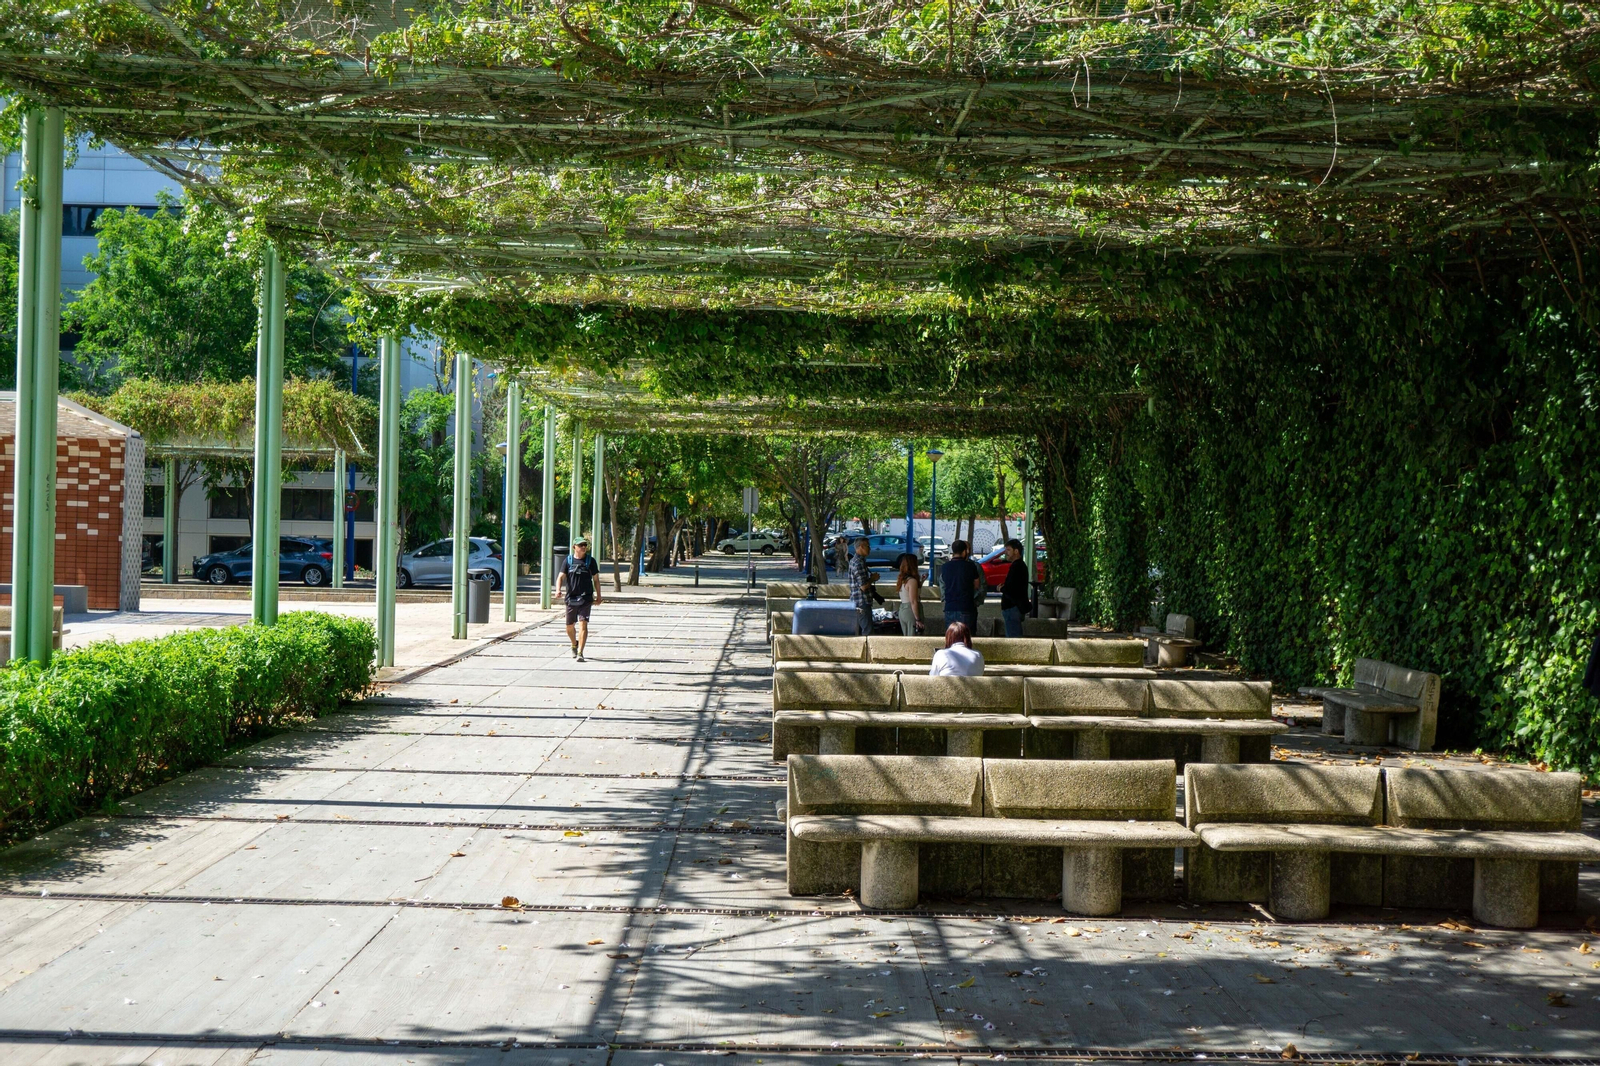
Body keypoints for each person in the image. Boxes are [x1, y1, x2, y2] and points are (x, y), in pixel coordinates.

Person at [556, 537, 602, 661]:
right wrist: (558, 590)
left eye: (585, 545)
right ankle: (574, 644)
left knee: (583, 625)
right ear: (574, 547)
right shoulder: (568, 561)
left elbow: (596, 580)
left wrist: (599, 595)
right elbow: (560, 577)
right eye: (580, 545)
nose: (583, 547)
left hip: (586, 598)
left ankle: (580, 652)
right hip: (571, 598)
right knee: (569, 626)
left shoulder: (590, 561)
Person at [940, 539, 983, 634]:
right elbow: (977, 585)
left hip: (949, 608)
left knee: (951, 638)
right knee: (966, 638)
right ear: (964, 551)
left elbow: (943, 584)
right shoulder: (971, 566)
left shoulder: (945, 567)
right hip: (966, 607)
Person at [999, 538, 1030, 638]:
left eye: (1008, 550)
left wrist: (1001, 589)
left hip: (1013, 608)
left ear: (1016, 551)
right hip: (1014, 607)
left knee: (1014, 640)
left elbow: (1012, 589)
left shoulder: (1017, 566)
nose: (1006, 553)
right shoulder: (1019, 566)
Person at [847, 536, 875, 635]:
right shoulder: (858, 563)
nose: (870, 548)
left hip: (857, 601)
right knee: (868, 631)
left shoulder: (856, 561)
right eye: (868, 546)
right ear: (861, 547)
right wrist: (873, 579)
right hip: (862, 602)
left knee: (859, 630)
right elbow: (863, 586)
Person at [895, 553, 924, 635]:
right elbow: (913, 601)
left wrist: (921, 581)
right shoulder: (912, 581)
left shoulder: (902, 579)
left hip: (903, 610)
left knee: (906, 638)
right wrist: (918, 619)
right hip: (911, 611)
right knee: (914, 639)